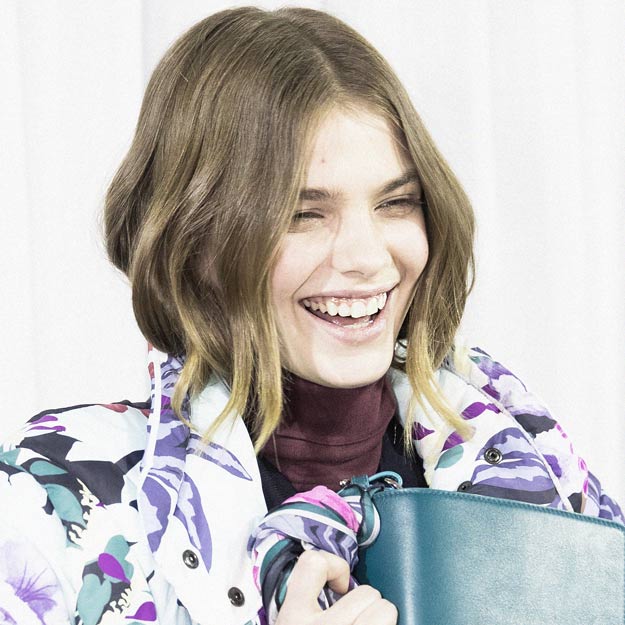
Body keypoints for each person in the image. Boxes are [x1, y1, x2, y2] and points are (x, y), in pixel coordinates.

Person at [0, 6, 622, 625]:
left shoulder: (531, 459)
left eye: (396, 202)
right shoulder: (55, 495)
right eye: (303, 214)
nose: (367, 258)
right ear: (193, 241)